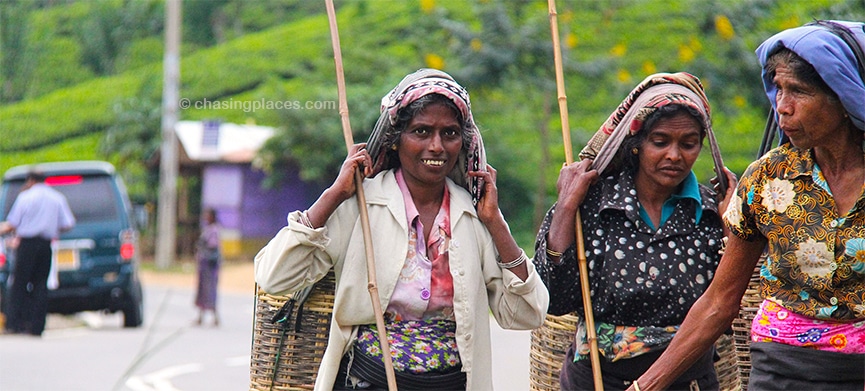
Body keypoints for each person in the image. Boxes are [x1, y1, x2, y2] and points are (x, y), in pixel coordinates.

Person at [254, 68, 549, 390]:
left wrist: (497, 224)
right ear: (395, 141)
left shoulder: (473, 214)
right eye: (421, 132)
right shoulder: (362, 205)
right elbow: (275, 276)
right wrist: (334, 194)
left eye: (449, 134)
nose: (437, 146)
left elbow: (526, 315)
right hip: (367, 380)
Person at [629, 21, 865, 391]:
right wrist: (646, 386)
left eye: (799, 91)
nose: (782, 108)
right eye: (779, 90)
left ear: (843, 94)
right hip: (779, 372)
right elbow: (719, 302)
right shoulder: (769, 178)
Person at [535, 72, 737, 391]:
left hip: (688, 382)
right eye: (660, 142)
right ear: (637, 144)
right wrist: (564, 208)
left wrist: (733, 232)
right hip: (599, 382)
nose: (674, 155)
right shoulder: (594, 206)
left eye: (688, 144)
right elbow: (554, 299)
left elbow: (726, 307)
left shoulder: (714, 213)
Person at [0, 170, 75, 336]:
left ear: (31, 180)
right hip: (45, 244)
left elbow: (13, 222)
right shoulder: (56, 197)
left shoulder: (25, 197)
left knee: (19, 283)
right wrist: (52, 227)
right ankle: (37, 327)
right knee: (40, 284)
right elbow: (68, 223)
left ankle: (14, 323)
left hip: (26, 244)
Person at [194, 207, 221, 327]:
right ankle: (201, 317)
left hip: (209, 267)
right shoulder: (208, 229)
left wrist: (202, 249)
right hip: (204, 266)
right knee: (203, 291)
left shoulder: (213, 230)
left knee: (209, 291)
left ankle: (215, 317)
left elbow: (213, 246)